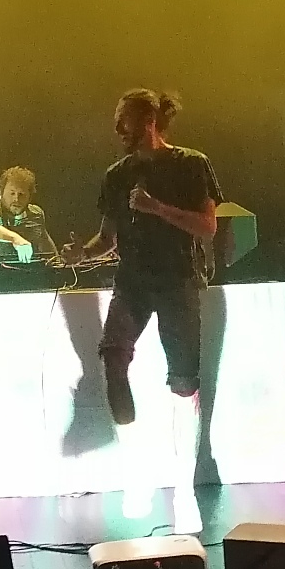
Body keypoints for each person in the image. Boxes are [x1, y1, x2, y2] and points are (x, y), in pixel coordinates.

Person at [60, 90, 222, 425]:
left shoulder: (191, 163)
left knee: (183, 383)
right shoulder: (116, 175)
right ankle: (123, 420)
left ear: (149, 121)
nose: (117, 128)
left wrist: (157, 207)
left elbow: (207, 227)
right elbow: (107, 239)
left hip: (178, 280)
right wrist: (82, 254)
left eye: (124, 120)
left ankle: (185, 389)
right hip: (132, 283)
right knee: (112, 352)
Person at [0, 166, 58, 262]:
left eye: (21, 194)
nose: (16, 199)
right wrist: (15, 239)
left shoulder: (36, 213)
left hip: (29, 270)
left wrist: (57, 261)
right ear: (1, 194)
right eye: (12, 193)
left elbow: (44, 239)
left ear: (29, 197)